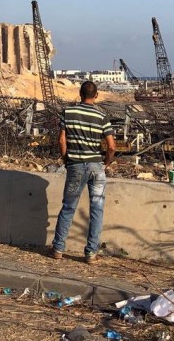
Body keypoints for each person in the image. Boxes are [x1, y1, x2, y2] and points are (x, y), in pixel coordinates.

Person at [50, 80, 116, 263]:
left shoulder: (68, 113)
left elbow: (62, 141)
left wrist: (66, 159)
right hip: (97, 168)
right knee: (97, 210)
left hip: (76, 166)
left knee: (69, 207)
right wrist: (105, 164)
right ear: (96, 96)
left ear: (79, 94)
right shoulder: (102, 117)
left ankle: (58, 249)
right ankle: (91, 253)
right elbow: (111, 146)